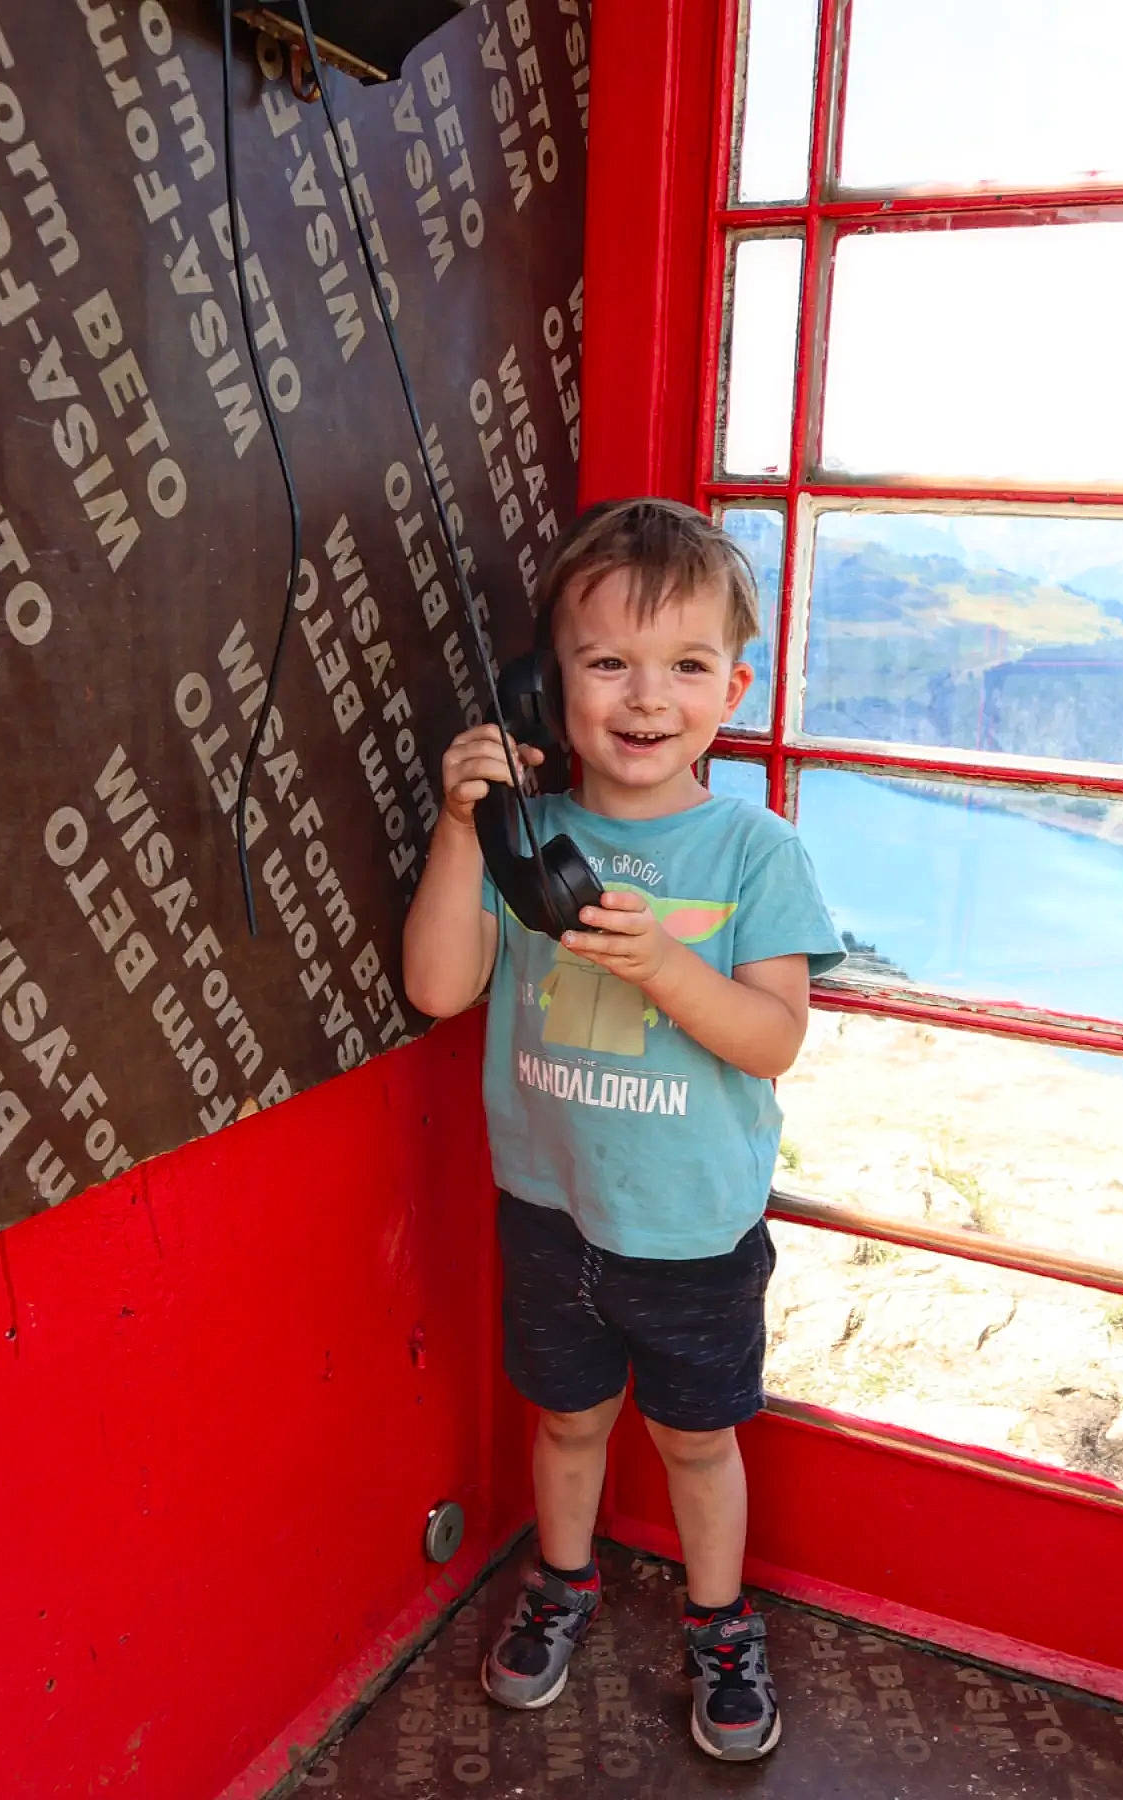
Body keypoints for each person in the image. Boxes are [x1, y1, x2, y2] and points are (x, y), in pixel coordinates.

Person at [402, 497, 842, 1761]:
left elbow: (773, 1040)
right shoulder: (526, 833)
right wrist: (458, 824)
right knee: (566, 1421)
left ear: (734, 686)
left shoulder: (756, 851)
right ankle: (564, 1578)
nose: (646, 698)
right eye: (607, 664)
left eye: (686, 666)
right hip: (548, 1208)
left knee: (699, 1441)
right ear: (550, 687)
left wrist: (662, 967)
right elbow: (438, 986)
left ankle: (718, 1622)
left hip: (695, 1227)